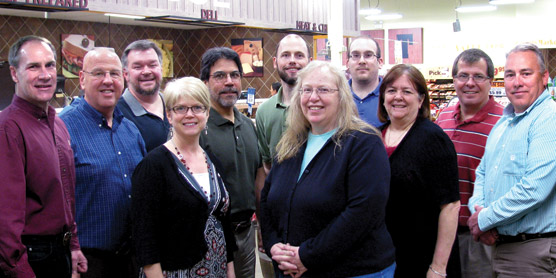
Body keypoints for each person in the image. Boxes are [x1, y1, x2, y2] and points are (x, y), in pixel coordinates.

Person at [260, 60, 396, 278]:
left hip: (354, 270)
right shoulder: (291, 143)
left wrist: (307, 256)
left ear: (341, 96)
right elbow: (267, 199)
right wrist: (273, 245)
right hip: (293, 269)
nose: (314, 98)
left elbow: (363, 212)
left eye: (323, 89)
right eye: (307, 90)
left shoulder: (363, 142)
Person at [131, 76, 237, 277]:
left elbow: (224, 224)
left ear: (207, 113)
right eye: (181, 108)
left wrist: (230, 271)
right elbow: (145, 238)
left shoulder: (212, 161)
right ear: (169, 115)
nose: (190, 115)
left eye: (197, 107)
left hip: (218, 269)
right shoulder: (153, 166)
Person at [0, 35, 87, 278]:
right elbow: (5, 220)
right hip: (31, 257)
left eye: (49, 65)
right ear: (14, 73)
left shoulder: (57, 124)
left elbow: (65, 194)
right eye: (33, 67)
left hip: (59, 252)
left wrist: (73, 246)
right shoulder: (8, 129)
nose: (45, 74)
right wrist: (21, 271)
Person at [468, 43, 556, 277]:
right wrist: (480, 213)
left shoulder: (549, 119)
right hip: (500, 245)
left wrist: (484, 219)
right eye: (510, 74)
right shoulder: (504, 123)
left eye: (526, 73)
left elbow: (535, 188)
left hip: (533, 252)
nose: (517, 82)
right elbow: (483, 173)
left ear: (544, 77)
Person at [59, 47, 146, 278]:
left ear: (123, 79)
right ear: (82, 79)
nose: (108, 81)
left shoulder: (130, 130)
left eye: (114, 74)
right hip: (87, 263)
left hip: (131, 259)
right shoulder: (62, 129)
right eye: (98, 73)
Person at [378, 64, 461, 278]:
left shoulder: (433, 139)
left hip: (422, 258)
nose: (398, 97)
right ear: (383, 97)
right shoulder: (373, 138)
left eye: (407, 91)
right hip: (382, 258)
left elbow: (450, 206)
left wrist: (438, 267)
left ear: (421, 99)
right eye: (391, 90)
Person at [436, 48, 504, 278]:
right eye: (463, 76)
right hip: (442, 233)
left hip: (479, 236)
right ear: (454, 79)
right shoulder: (443, 117)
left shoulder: (505, 123)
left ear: (490, 81)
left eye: (478, 76)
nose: (469, 83)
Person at [199, 47, 264, 278]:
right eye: (220, 76)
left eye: (234, 75)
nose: (229, 82)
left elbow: (258, 179)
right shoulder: (198, 128)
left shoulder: (248, 126)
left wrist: (262, 226)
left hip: (246, 234)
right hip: (210, 237)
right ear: (205, 81)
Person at [255, 34, 310, 278]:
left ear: (310, 61)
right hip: (278, 221)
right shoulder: (265, 112)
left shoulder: (320, 106)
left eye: (299, 55)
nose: (293, 61)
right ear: (275, 62)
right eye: (286, 55)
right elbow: (266, 170)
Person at [118, 40, 170, 152]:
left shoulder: (175, 104)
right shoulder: (116, 113)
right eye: (138, 67)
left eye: (152, 65)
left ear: (161, 70)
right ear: (125, 74)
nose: (146, 71)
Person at [347, 36, 385, 128]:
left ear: (380, 62)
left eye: (368, 55)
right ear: (347, 63)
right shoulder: (337, 95)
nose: (362, 61)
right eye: (355, 55)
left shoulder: (391, 97)